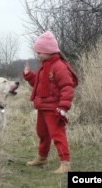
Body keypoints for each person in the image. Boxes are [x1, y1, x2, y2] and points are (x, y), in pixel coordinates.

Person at [23, 31, 78, 174]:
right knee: (42, 133)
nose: (38, 54)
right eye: (37, 52)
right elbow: (39, 85)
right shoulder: (45, 66)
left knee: (57, 135)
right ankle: (42, 158)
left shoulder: (59, 66)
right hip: (43, 107)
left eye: (40, 52)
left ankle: (65, 163)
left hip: (54, 109)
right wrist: (29, 75)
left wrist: (63, 107)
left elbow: (67, 87)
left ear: (49, 51)